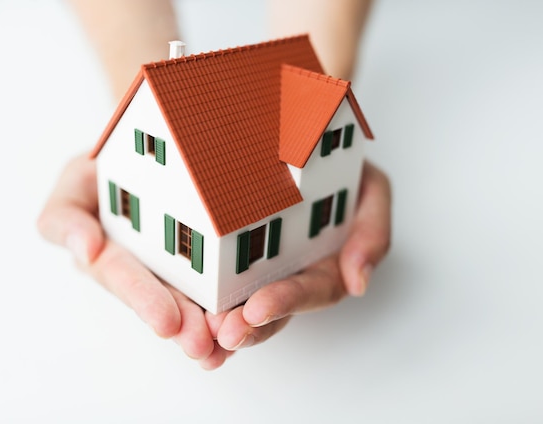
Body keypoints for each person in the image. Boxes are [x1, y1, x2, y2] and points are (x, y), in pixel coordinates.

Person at [37, 0, 391, 370]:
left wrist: (321, 92)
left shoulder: (301, 138)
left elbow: (300, 97)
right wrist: (147, 79)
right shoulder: (177, 127)